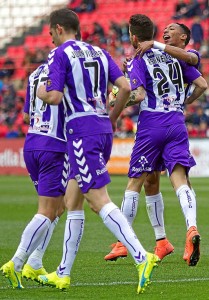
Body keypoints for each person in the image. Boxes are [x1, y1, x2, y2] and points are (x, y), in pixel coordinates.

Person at [35, 8, 160, 294]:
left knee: (97, 200)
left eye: (50, 32)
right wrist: (112, 116)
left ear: (57, 29)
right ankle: (63, 273)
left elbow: (53, 96)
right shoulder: (99, 52)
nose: (50, 37)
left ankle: (141, 256)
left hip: (81, 130)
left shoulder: (60, 54)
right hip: (101, 128)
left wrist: (41, 91)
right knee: (72, 200)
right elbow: (126, 88)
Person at [104, 15, 207, 267]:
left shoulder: (138, 58)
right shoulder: (178, 56)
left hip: (151, 124)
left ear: (134, 37)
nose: (168, 30)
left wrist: (117, 100)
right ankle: (180, 233)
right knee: (173, 180)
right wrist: (182, 102)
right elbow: (202, 84)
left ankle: (122, 241)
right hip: (176, 122)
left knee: (135, 181)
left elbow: (138, 94)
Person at [0, 61, 68, 289]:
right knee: (48, 210)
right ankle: (17, 262)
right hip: (54, 145)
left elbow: (27, 116)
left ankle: (35, 261)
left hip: (31, 143)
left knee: (58, 207)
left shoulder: (36, 72)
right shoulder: (67, 67)